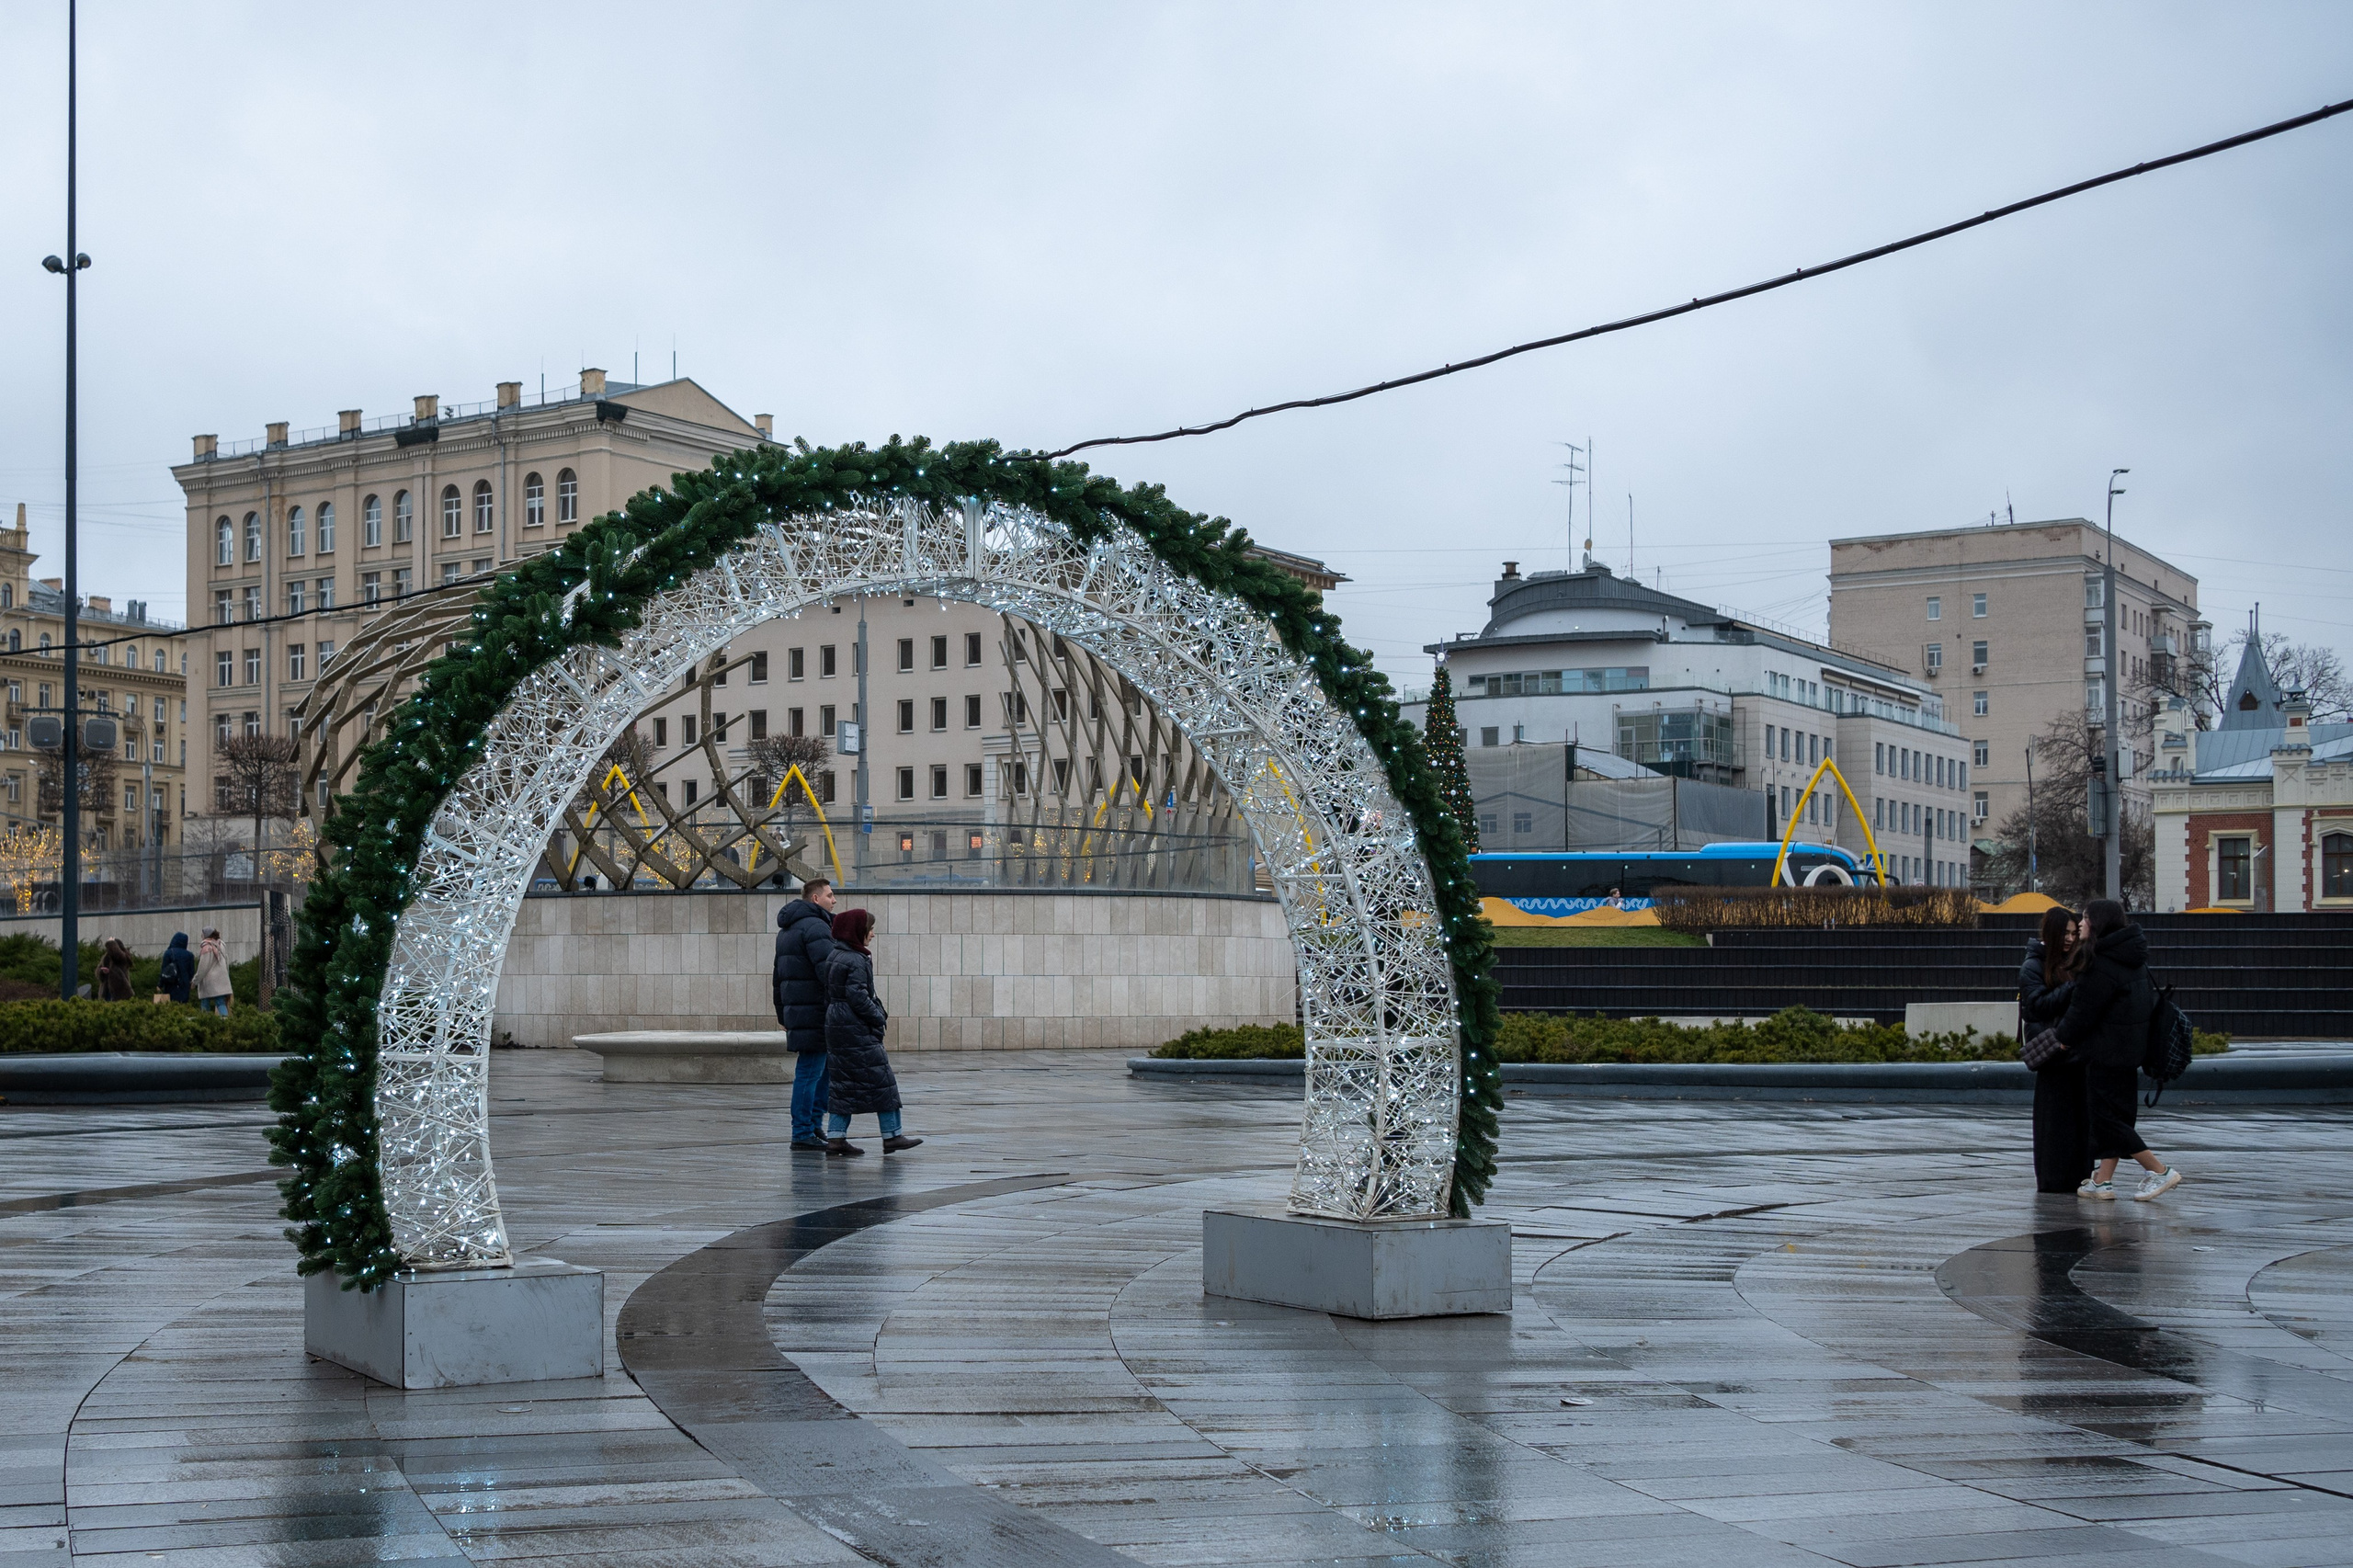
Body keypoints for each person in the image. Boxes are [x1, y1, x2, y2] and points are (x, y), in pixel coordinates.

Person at [2052, 898, 2182, 1201]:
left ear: (2097, 923)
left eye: (2085, 918)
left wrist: (2063, 1038)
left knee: (2106, 1120)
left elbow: (2083, 1010)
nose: (2080, 923)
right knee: (2115, 1116)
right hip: (2130, 1051)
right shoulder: (2130, 956)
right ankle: (2102, 1181)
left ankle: (2159, 1171)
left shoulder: (2100, 963)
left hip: (2105, 1051)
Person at [822, 908, 920, 1156]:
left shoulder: (835, 955)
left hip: (837, 1023)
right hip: (855, 1026)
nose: (873, 934)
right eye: (870, 929)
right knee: (883, 1082)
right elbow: (858, 996)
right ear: (857, 931)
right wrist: (878, 1017)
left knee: (843, 1084)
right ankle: (892, 1135)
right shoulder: (855, 959)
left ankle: (836, 1138)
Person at [2019, 906, 2089, 1194]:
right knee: (2054, 1122)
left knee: (2077, 1120)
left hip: (2074, 1052)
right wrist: (2073, 987)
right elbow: (2037, 1006)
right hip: (2052, 1053)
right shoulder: (2033, 965)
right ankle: (2053, 1179)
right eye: (2065, 933)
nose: (2070, 939)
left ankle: (2079, 1176)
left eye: (2074, 933)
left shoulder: (2074, 961)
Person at [773, 877, 838, 1153]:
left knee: (820, 1071)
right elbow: (830, 972)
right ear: (815, 898)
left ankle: (812, 1126)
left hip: (800, 1012)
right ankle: (802, 1131)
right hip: (816, 1012)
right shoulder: (816, 927)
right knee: (811, 1072)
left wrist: (783, 1015)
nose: (834, 900)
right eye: (830, 895)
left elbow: (778, 978)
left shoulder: (787, 930)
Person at [193, 927, 233, 1017]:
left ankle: (206, 1022)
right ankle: (226, 1021)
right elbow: (226, 962)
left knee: (205, 1002)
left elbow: (203, 968)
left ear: (206, 935)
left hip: (209, 981)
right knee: (220, 1002)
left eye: (202, 934)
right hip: (222, 979)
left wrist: (195, 981)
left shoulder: (206, 947)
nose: (201, 936)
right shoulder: (221, 945)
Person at [156, 932, 196, 1005]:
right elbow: (191, 972)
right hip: (184, 985)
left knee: (170, 1004)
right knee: (183, 1004)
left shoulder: (168, 953)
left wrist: (160, 985)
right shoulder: (190, 955)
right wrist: (190, 983)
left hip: (171, 983)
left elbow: (164, 971)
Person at [96, 938, 135, 1002]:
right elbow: (98, 971)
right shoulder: (106, 957)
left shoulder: (123, 957)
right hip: (106, 990)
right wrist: (102, 971)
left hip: (120, 991)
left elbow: (116, 954)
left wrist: (111, 942)